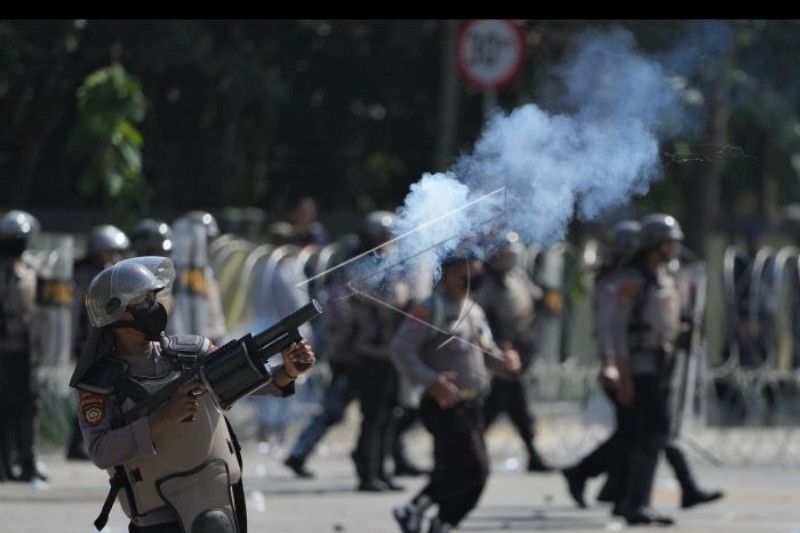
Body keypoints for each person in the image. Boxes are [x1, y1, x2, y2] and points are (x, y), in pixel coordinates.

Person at [70, 256, 316, 532]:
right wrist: (162, 419)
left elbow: (245, 380)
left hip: (212, 497)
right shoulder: (98, 385)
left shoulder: (189, 354)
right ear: (118, 312)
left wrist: (288, 371)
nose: (154, 307)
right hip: (155, 511)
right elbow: (101, 451)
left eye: (154, 298)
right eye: (144, 302)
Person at [391, 245, 521, 533]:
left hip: (473, 403)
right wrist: (431, 381)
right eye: (467, 272)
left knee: (465, 472)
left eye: (478, 271)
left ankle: (444, 522)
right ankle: (414, 507)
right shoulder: (430, 307)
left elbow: (487, 353)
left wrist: (506, 361)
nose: (474, 278)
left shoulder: (473, 310)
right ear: (450, 274)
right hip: (444, 403)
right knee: (474, 468)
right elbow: (401, 348)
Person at [561, 220, 640, 511]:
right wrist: (611, 365)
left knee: (632, 433)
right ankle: (582, 472)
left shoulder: (631, 278)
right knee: (632, 433)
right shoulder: (612, 283)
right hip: (618, 367)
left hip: (631, 365)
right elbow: (609, 328)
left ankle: (613, 488)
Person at [614, 213, 684, 526]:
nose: (673, 247)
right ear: (654, 245)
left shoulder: (663, 276)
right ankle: (635, 502)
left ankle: (640, 501)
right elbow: (619, 330)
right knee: (649, 436)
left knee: (655, 436)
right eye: (668, 242)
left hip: (662, 364)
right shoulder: (633, 280)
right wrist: (623, 375)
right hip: (641, 368)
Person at [474, 231, 551, 472]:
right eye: (505, 255)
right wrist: (497, 343)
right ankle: (472, 449)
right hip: (496, 353)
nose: (509, 260)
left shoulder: (517, 277)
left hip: (518, 350)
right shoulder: (485, 283)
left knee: (511, 405)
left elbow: (533, 299)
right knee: (505, 405)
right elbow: (481, 318)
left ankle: (532, 454)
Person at [350, 211, 410, 492]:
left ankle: (382, 469)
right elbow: (386, 299)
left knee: (389, 415)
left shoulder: (391, 268)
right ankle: (367, 472)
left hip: (390, 353)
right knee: (373, 416)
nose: (390, 243)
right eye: (385, 238)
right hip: (370, 352)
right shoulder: (363, 269)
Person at [66, 224, 130, 460]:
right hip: (87, 342)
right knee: (90, 392)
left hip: (101, 341)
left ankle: (81, 442)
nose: (113, 258)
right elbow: (78, 316)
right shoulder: (83, 278)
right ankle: (80, 443)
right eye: (109, 252)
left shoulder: (104, 275)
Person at [0, 210, 46, 482]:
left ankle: (20, 464)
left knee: (21, 408)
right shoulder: (22, 273)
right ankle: (20, 464)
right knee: (21, 409)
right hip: (15, 352)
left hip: (21, 353)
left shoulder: (26, 270)